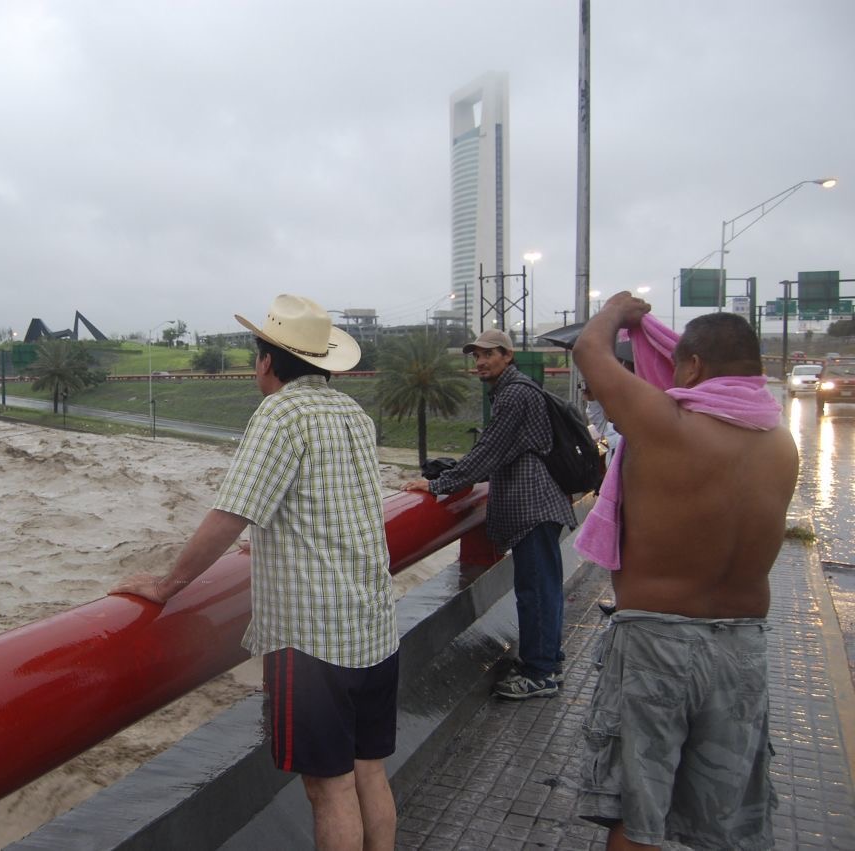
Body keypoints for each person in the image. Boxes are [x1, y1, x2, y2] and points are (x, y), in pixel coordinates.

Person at [111, 294, 399, 851]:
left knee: (329, 788)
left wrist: (167, 584)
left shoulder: (281, 413)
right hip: (374, 626)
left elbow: (232, 512)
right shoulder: (353, 414)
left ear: (266, 361)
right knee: (369, 772)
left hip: (314, 638)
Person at [572, 292, 798, 850]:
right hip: (743, 647)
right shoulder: (782, 444)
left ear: (693, 366)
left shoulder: (665, 424)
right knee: (725, 818)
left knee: (637, 810)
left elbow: (587, 350)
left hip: (657, 641)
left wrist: (620, 313)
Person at [402, 328, 577, 699]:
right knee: (543, 588)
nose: (480, 362)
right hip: (540, 505)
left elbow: (488, 453)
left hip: (534, 506)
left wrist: (436, 485)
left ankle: (540, 673)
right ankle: (549, 661)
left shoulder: (513, 395)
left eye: (489, 354)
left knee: (536, 591)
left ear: (507, 356)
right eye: (476, 356)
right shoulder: (517, 390)